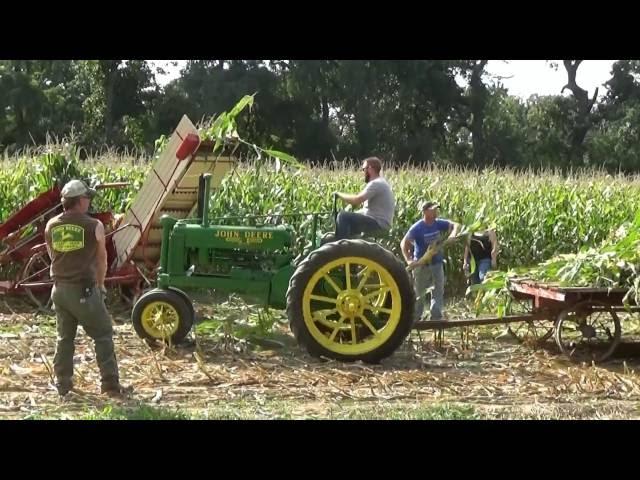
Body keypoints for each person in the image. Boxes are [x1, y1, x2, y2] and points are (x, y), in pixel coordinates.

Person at [44, 179, 129, 398]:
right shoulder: (94, 226)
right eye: (87, 198)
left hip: (59, 290)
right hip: (84, 291)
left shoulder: (51, 225)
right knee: (102, 334)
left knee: (64, 338)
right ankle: (110, 386)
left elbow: (51, 254)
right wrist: (100, 286)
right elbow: (102, 259)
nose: (89, 202)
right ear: (80, 201)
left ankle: (63, 384)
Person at [400, 201, 460, 322]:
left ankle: (436, 316)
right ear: (426, 212)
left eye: (436, 209)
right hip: (421, 264)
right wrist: (409, 260)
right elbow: (404, 243)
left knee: (438, 289)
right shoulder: (417, 228)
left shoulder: (438, 223)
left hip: (437, 263)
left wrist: (453, 234)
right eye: (433, 210)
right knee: (420, 292)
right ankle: (416, 318)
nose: (436, 212)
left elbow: (455, 225)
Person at [333, 157, 395, 240]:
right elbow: (367, 209)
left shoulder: (376, 183)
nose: (363, 172)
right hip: (379, 221)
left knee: (343, 216)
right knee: (348, 220)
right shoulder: (381, 182)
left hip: (378, 224)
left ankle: (341, 248)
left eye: (363, 169)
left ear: (370, 168)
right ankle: (350, 245)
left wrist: (339, 194)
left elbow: (356, 200)